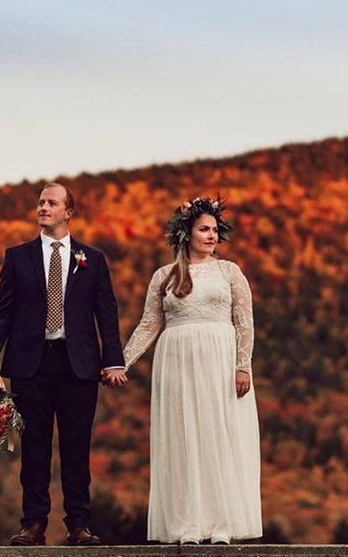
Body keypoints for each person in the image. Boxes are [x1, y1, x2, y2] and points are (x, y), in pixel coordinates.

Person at [0, 182, 126, 546]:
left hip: (79, 366)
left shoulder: (93, 259)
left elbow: (106, 313)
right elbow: (3, 312)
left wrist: (114, 361)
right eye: (41, 202)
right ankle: (33, 525)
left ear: (67, 212)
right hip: (30, 364)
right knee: (35, 448)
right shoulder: (17, 257)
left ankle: (78, 525)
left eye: (51, 202)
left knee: (77, 447)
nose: (43, 207)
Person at [108, 195, 262, 544]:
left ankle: (221, 525)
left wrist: (243, 366)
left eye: (214, 230)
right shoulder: (164, 276)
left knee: (218, 435)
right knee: (182, 437)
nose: (211, 236)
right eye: (204, 229)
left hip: (219, 360)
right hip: (176, 362)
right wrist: (121, 361)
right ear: (186, 234)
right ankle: (186, 525)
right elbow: (149, 324)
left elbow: (245, 322)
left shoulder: (229, 272)